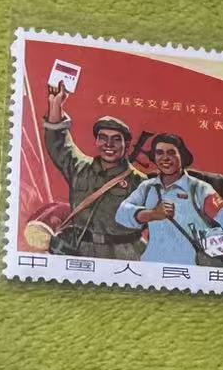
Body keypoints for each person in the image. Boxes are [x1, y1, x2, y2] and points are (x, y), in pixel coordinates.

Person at [116, 134, 223, 268]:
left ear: (182, 156)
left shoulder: (199, 189)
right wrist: (152, 214)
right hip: (153, 264)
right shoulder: (147, 187)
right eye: (159, 153)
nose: (165, 158)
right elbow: (121, 212)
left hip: (192, 267)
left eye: (171, 153)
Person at [41, 79, 145, 260]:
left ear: (127, 145)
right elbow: (58, 141)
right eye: (103, 138)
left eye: (116, 139)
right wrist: (55, 104)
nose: (108, 144)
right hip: (80, 250)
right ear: (96, 141)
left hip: (125, 253)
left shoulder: (140, 182)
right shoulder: (80, 168)